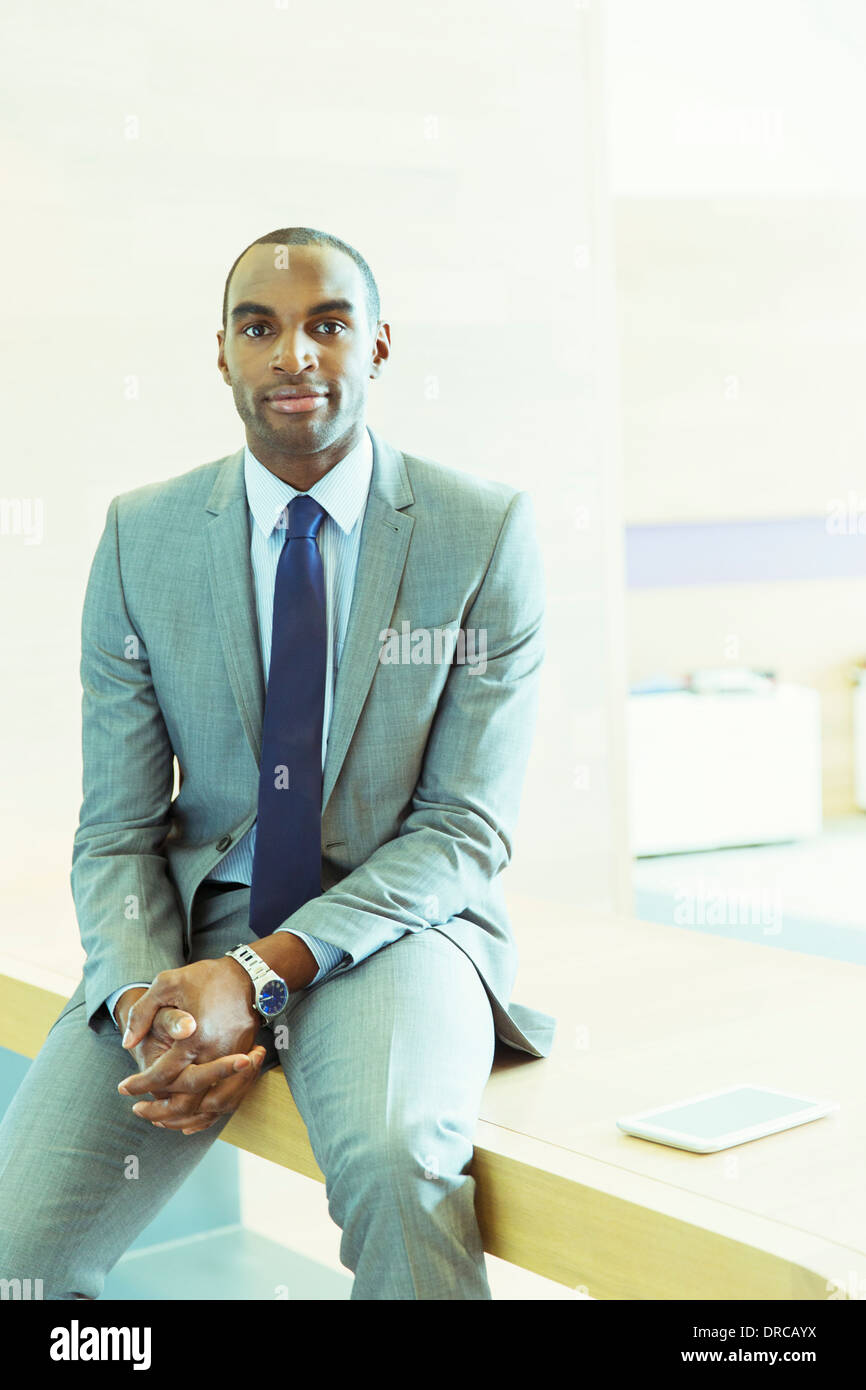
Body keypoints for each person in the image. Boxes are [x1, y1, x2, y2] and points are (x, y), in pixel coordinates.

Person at [0, 226, 555, 1300]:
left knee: (402, 1167)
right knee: (16, 1259)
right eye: (260, 327)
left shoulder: (480, 531)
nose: (294, 354)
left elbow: (464, 828)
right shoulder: (140, 536)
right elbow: (116, 825)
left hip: (393, 925)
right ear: (222, 354)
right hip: (190, 932)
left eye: (327, 325)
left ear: (379, 346)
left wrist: (256, 977)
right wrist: (139, 1008)